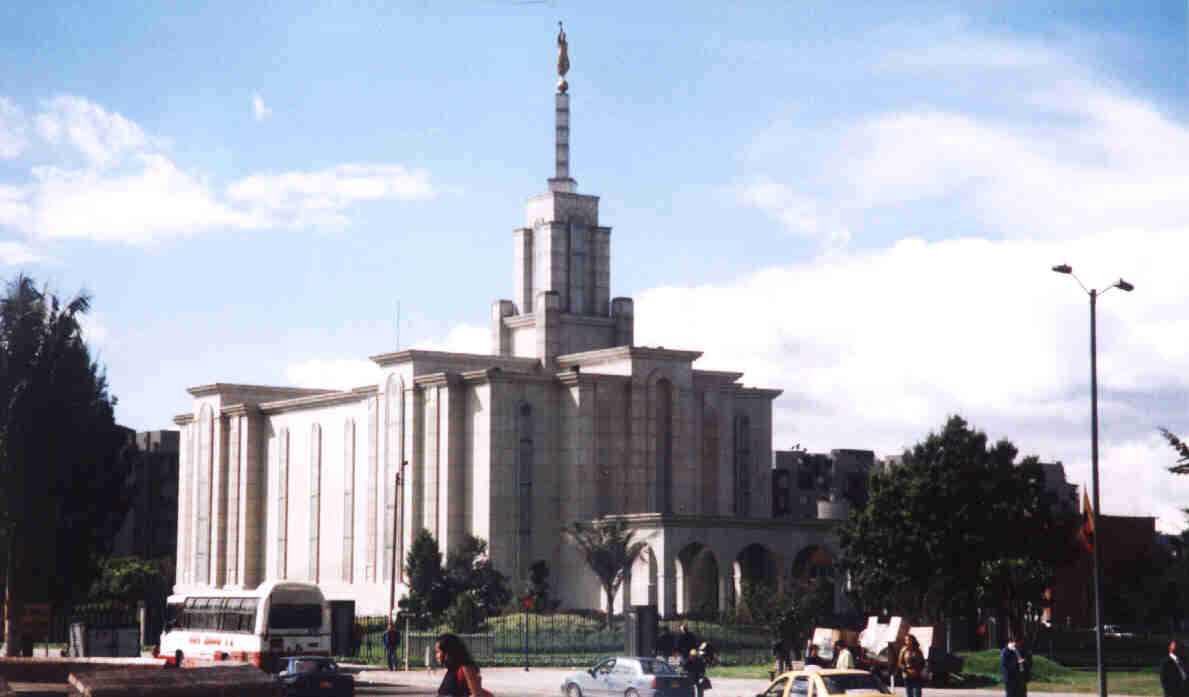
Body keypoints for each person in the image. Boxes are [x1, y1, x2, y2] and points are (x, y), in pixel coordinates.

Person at [435, 632, 493, 697]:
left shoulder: (466, 668)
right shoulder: (451, 669)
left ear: (447, 652)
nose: (436, 656)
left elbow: (477, 695)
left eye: (438, 652)